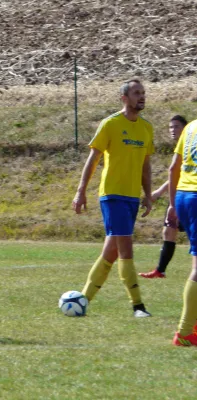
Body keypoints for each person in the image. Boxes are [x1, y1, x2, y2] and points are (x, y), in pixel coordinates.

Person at [72, 79, 154, 317]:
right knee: (126, 249)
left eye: (143, 93)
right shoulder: (110, 124)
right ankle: (138, 306)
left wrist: (148, 195)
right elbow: (93, 158)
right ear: (124, 98)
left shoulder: (146, 128)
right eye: (136, 93)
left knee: (111, 252)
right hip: (112, 195)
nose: (142, 96)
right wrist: (81, 190)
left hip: (131, 197)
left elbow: (145, 165)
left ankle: (83, 299)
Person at [140, 115, 188, 279]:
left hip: (188, 196)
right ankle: (160, 270)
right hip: (181, 195)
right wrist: (159, 193)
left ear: (185, 129)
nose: (173, 130)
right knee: (169, 231)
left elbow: (176, 173)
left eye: (176, 127)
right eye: (170, 127)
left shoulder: (190, 147)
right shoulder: (180, 148)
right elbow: (175, 176)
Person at [168, 118, 197, 346]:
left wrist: (172, 205)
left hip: (183, 196)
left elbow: (173, 168)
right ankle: (185, 332)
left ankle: (192, 326)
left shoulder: (190, 127)